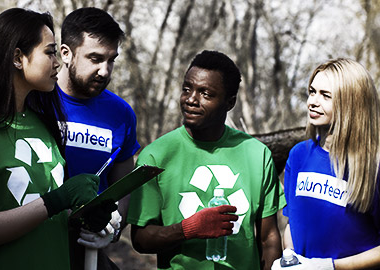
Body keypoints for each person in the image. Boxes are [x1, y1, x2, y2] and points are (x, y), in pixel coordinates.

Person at [0, 8, 114, 270]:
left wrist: (86, 218)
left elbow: (50, 214)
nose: (57, 62)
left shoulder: (44, 123)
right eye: (50, 52)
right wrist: (58, 200)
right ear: (18, 57)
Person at [127, 50, 285, 270]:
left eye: (205, 94)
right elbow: (141, 239)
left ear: (229, 102)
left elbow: (268, 238)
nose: (191, 99)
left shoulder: (257, 155)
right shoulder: (156, 156)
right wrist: (188, 229)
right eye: (187, 89)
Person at [272, 58, 380, 270]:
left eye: (325, 95)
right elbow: (292, 223)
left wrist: (331, 267)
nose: (312, 101)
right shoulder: (298, 155)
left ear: (352, 103)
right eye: (312, 92)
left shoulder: (373, 166)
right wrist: (290, 259)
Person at [56, 7, 140, 269]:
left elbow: (124, 183)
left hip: (90, 253)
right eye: (95, 58)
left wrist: (115, 225)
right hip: (38, 242)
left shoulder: (121, 113)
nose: (105, 71)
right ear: (66, 54)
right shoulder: (36, 101)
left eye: (111, 60)